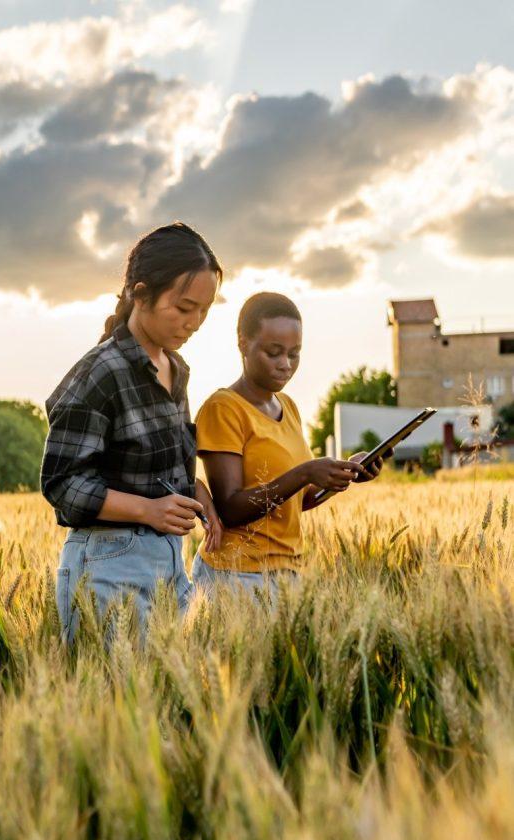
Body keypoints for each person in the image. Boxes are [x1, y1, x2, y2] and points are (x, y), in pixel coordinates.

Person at [41, 223, 223, 643]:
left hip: (170, 561)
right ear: (139, 294)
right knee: (112, 703)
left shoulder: (176, 369)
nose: (193, 322)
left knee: (160, 704)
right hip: (109, 563)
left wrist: (193, 487)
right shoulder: (101, 370)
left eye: (204, 311)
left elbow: (147, 463)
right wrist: (147, 510)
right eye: (183, 308)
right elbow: (62, 483)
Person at [191, 292, 385, 593]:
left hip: (286, 574)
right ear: (243, 343)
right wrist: (305, 472)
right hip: (236, 575)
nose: (285, 364)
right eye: (274, 352)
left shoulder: (289, 407)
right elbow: (229, 508)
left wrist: (341, 475)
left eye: (294, 353)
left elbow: (299, 500)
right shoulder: (224, 408)